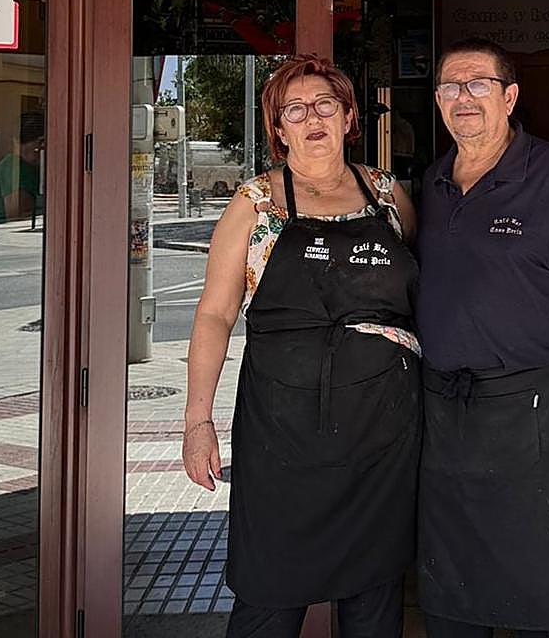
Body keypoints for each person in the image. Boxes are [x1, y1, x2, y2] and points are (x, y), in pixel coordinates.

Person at [181, 55, 422, 638]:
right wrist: (197, 420)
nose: (312, 118)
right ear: (278, 128)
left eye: (325, 105)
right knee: (269, 595)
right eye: (296, 109)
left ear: (348, 118)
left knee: (375, 597)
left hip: (381, 430)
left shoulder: (388, 195)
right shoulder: (255, 203)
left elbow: (423, 298)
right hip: (281, 432)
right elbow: (215, 314)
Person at [416, 38, 549, 638]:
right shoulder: (431, 183)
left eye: (477, 83)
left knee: (545, 596)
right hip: (447, 421)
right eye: (450, 87)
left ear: (509, 96)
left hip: (539, 419)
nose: (462, 97)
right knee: (452, 600)